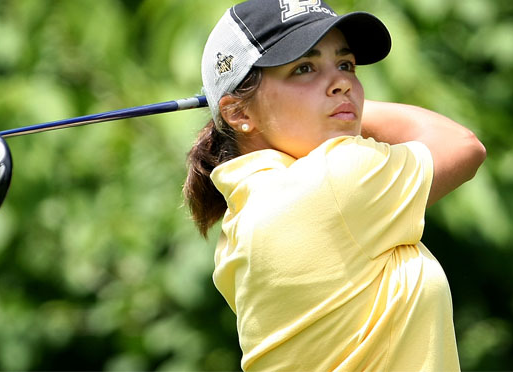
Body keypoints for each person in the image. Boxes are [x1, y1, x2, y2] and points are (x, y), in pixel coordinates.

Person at [183, 0, 486, 370]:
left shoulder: (242, 218)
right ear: (239, 113)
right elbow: (462, 145)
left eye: (345, 65)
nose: (343, 82)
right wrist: (346, 103)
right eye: (304, 68)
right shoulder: (334, 180)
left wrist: (320, 100)